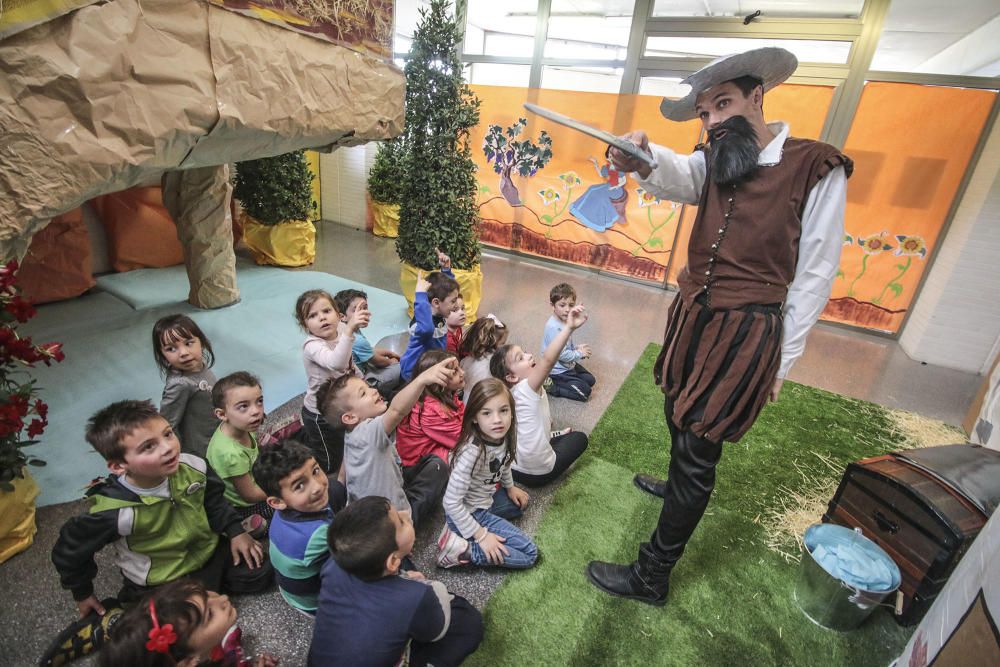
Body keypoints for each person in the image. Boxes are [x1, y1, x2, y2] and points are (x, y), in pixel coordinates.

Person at [586, 46, 853, 605]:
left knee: (698, 447)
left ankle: (652, 575)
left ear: (758, 96)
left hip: (746, 332)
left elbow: (816, 274)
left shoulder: (816, 165)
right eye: (705, 113)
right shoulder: (718, 156)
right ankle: (678, 487)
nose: (712, 122)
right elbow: (682, 173)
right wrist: (638, 155)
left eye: (723, 104)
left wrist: (782, 361)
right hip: (694, 313)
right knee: (675, 408)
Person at [46, 400, 269, 666]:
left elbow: (214, 500)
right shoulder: (111, 511)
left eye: (167, 434)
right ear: (118, 465)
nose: (168, 448)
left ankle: (211, 591)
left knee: (263, 572)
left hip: (209, 554)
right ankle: (111, 621)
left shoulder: (193, 465)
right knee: (165, 638)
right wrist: (82, 592)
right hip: (162, 581)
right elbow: (70, 549)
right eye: (149, 446)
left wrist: (235, 531)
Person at [308, 496, 483, 667]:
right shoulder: (418, 596)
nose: (406, 513)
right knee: (467, 621)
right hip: (411, 615)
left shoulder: (332, 565)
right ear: (391, 562)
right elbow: (434, 633)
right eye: (400, 521)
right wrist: (422, 586)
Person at [320, 356, 458, 529]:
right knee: (438, 468)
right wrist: (422, 379)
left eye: (368, 387)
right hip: (392, 524)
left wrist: (341, 485)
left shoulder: (352, 434)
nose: (373, 391)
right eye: (363, 394)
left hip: (370, 512)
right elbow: (396, 411)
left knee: (433, 463)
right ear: (350, 417)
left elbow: (345, 467)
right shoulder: (367, 433)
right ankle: (409, 524)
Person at [437, 378, 537, 570]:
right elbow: (450, 502)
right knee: (529, 554)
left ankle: (459, 531)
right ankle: (461, 549)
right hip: (471, 511)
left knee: (518, 505)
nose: (497, 420)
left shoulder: (502, 435)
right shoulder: (472, 452)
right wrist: (482, 536)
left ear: (512, 412)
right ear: (474, 417)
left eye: (503, 410)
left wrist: (510, 487)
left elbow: (503, 464)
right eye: (487, 413)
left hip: (484, 502)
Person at [490, 304, 590, 487]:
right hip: (537, 475)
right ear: (511, 376)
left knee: (552, 427)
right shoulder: (526, 388)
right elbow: (548, 360)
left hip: (515, 466)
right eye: (521, 358)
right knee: (580, 438)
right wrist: (568, 328)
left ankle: (553, 437)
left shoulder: (510, 392)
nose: (528, 356)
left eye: (525, 352)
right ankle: (553, 441)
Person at [253, 439, 348, 616]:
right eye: (300, 485)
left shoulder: (285, 510)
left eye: (315, 471)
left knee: (334, 488)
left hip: (292, 588)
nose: (317, 486)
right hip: (315, 602)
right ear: (277, 502)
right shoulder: (317, 534)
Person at [97, 579, 278, 667]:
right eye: (210, 615)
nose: (222, 598)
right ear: (188, 662)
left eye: (207, 595)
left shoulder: (195, 652)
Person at [296, 288, 368, 476]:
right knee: (329, 460)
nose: (322, 318)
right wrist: (350, 330)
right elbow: (337, 363)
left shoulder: (342, 331)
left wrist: (363, 383)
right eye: (312, 315)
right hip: (319, 415)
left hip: (338, 406)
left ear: (338, 314)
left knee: (342, 444)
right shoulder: (312, 346)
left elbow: (349, 364)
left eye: (326, 311)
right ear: (305, 325)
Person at [207, 372, 271, 532]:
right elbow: (249, 495)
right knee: (291, 502)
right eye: (244, 406)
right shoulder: (230, 453)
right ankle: (244, 526)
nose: (256, 411)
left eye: (259, 401)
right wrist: (281, 488)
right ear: (222, 414)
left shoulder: (239, 425)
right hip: (245, 506)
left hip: (254, 474)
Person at [153, 314, 217, 458]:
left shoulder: (201, 366)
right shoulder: (180, 384)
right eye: (171, 349)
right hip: (203, 451)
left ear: (202, 342)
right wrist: (181, 459)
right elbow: (168, 424)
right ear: (163, 355)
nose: (183, 353)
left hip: (218, 435)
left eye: (188, 343)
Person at [396, 349, 465, 470]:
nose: (462, 373)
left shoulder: (440, 394)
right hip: (419, 465)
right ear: (437, 382)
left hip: (436, 443)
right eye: (454, 372)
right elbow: (462, 440)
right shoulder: (430, 411)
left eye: (459, 368)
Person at [399, 250, 461, 382]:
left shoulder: (440, 312)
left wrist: (446, 270)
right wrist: (420, 295)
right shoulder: (423, 324)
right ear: (436, 303)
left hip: (430, 368)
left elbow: (446, 293)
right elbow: (428, 329)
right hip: (413, 375)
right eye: (453, 301)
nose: (456, 306)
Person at [333, 288, 402, 398]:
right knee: (403, 367)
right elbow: (378, 362)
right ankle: (380, 393)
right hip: (359, 384)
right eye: (357, 310)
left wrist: (389, 353)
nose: (364, 313)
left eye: (365, 308)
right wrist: (392, 362)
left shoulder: (345, 329)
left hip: (352, 375)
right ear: (342, 317)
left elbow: (369, 350)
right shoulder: (357, 339)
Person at [542, 283, 596, 402]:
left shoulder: (565, 320)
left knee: (591, 380)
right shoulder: (553, 327)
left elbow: (565, 345)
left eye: (571, 305)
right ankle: (553, 387)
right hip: (558, 370)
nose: (567, 309)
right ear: (552, 305)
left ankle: (569, 380)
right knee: (585, 393)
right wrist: (579, 353)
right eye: (562, 305)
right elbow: (560, 354)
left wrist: (575, 348)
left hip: (568, 365)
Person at [458, 313, 509, 403]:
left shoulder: (465, 361)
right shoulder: (495, 364)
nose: (504, 347)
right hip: (487, 400)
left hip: (468, 402)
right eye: (502, 344)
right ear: (492, 342)